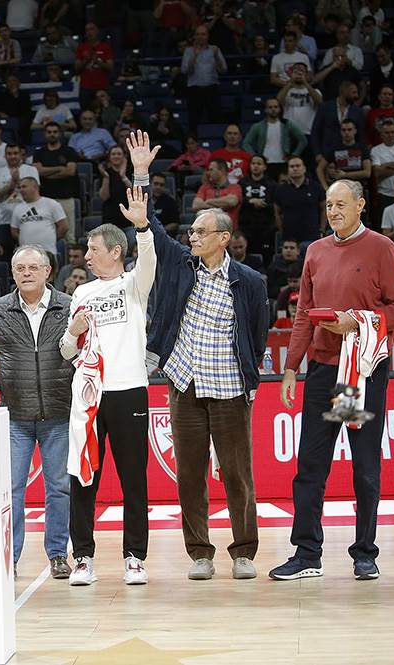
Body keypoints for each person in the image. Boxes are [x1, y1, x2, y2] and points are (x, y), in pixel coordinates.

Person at [131, 131, 271, 581]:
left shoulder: (250, 281)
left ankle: (244, 552)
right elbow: (151, 224)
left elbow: (257, 336)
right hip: (184, 383)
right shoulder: (178, 263)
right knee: (189, 474)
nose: (191, 236)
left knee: (237, 475)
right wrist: (140, 173)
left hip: (230, 387)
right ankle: (200, 554)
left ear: (223, 238)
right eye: (191, 231)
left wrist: (247, 374)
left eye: (200, 232)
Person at [270, 179, 394, 581]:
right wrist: (291, 368)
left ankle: (365, 553)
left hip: (361, 371)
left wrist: (358, 321)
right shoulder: (315, 251)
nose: (333, 211)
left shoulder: (381, 248)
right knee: (311, 465)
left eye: (341, 204)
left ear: (361, 205)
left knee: (364, 465)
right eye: (329, 205)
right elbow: (303, 313)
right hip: (323, 370)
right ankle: (306, 553)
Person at [62, 181, 156, 587]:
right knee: (83, 478)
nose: (87, 256)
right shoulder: (81, 291)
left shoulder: (134, 285)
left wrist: (143, 228)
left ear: (115, 252)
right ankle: (83, 557)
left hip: (129, 390)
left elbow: (148, 259)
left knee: (134, 479)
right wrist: (72, 332)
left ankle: (135, 558)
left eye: (93, 249)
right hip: (89, 396)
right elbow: (67, 350)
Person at [0, 245, 74, 578]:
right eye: (20, 268)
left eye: (33, 267)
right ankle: (11, 556)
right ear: (12, 272)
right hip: (15, 414)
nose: (26, 273)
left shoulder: (69, 306)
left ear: (48, 271)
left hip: (59, 412)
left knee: (59, 488)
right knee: (12, 490)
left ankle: (58, 554)